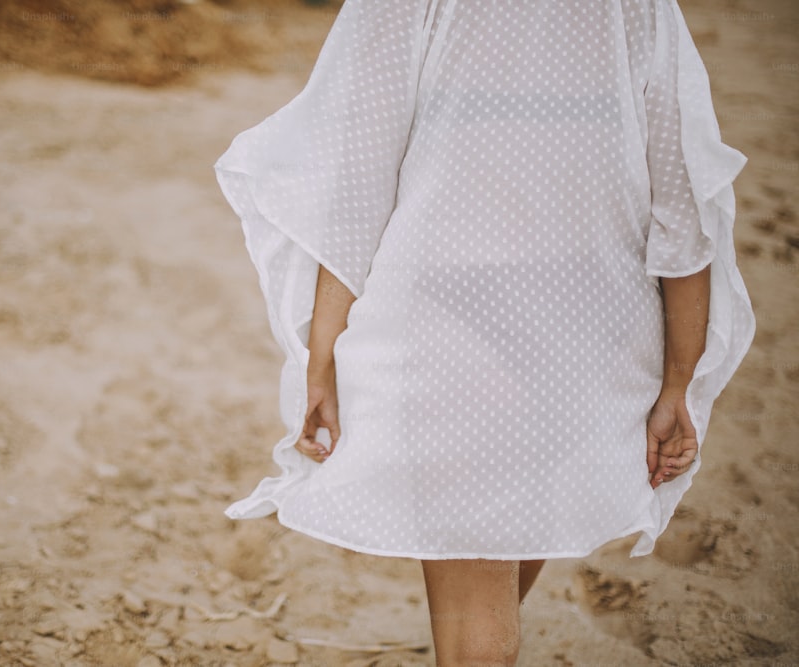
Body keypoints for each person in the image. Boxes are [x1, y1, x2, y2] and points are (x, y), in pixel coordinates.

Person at [213, 0, 755, 664]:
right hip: (591, 321)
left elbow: (359, 176)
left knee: (478, 604)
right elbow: (683, 193)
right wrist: (679, 377)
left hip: (448, 307)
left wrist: (320, 352)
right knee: (500, 562)